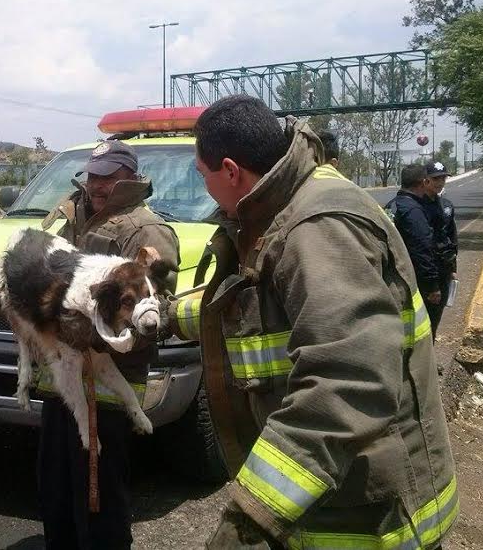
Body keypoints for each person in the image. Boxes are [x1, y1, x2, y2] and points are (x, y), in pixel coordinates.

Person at [171, 95, 455, 549]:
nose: (204, 188)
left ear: (230, 170)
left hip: (369, 520)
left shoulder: (317, 228)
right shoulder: (275, 208)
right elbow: (260, 310)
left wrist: (250, 519)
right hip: (333, 495)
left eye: (201, 175)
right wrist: (163, 316)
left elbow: (347, 382)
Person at [37, 139, 180, 550]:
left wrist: (97, 332)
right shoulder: (68, 217)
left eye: (110, 177)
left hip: (110, 387)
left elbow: (157, 313)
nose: (99, 185)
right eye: (95, 175)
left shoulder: (145, 229)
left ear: (130, 179)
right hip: (61, 381)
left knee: (100, 499)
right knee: (56, 489)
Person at [386, 165, 443, 336]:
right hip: (413, 280)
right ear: (424, 182)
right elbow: (422, 249)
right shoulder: (414, 211)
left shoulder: (391, 206)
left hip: (390, 277)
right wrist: (433, 285)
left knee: (399, 326)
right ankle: (418, 361)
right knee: (422, 327)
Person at [422, 160, 458, 337]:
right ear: (425, 180)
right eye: (435, 178)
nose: (439, 182)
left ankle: (430, 354)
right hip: (425, 268)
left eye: (442, 178)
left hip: (443, 268)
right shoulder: (416, 207)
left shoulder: (447, 206)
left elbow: (452, 237)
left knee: (436, 315)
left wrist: (453, 268)